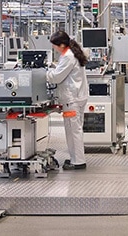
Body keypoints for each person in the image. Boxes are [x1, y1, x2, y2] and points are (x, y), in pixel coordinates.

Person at [47, 31, 89, 170]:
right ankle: (75, 159)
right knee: (75, 129)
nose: (54, 48)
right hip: (77, 97)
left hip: (72, 99)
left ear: (62, 44)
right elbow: (63, 71)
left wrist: (44, 74)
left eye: (55, 45)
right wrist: (53, 67)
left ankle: (78, 162)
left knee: (73, 131)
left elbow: (57, 77)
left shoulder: (68, 57)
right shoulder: (70, 53)